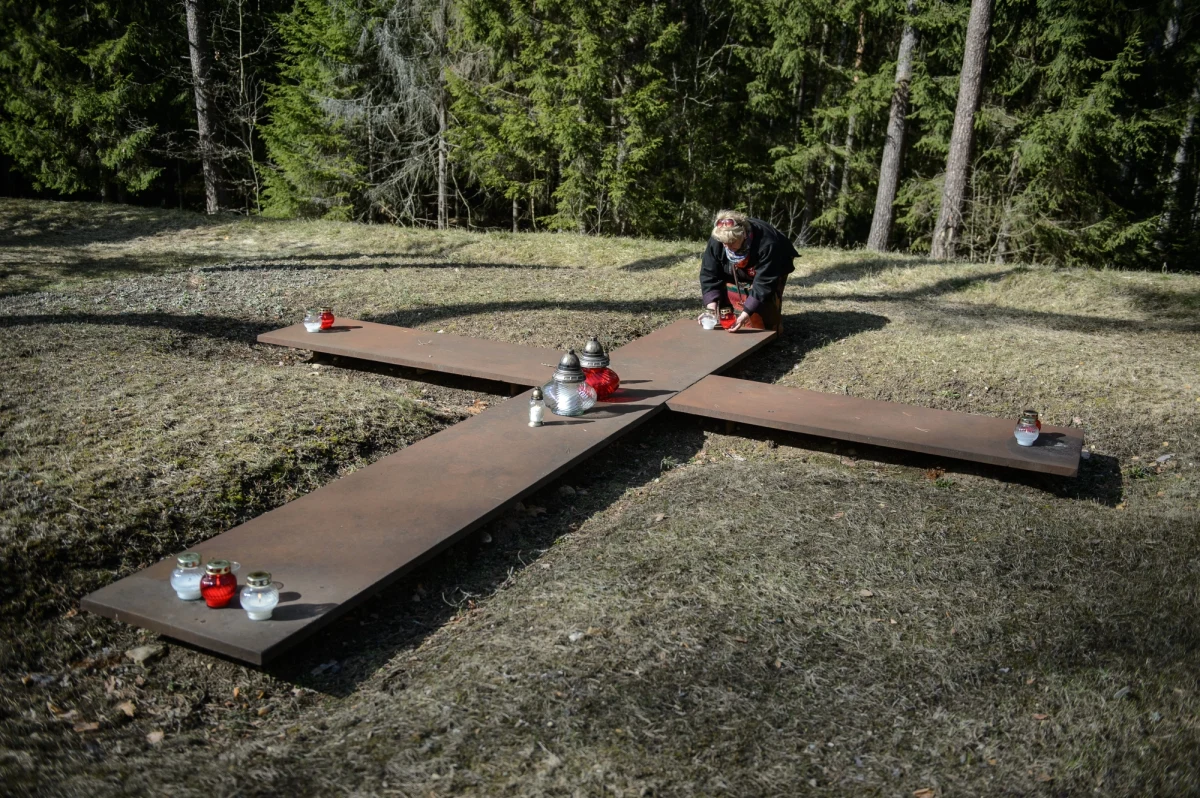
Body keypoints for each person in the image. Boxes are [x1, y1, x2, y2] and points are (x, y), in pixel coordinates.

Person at [698, 210, 798, 332]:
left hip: (777, 262)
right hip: (738, 265)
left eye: (732, 242)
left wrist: (747, 313)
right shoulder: (718, 240)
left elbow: (764, 283)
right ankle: (732, 317)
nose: (728, 247)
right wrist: (711, 309)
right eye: (724, 243)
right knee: (725, 293)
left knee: (762, 313)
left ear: (744, 235)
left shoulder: (767, 244)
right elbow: (709, 274)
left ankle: (772, 327)